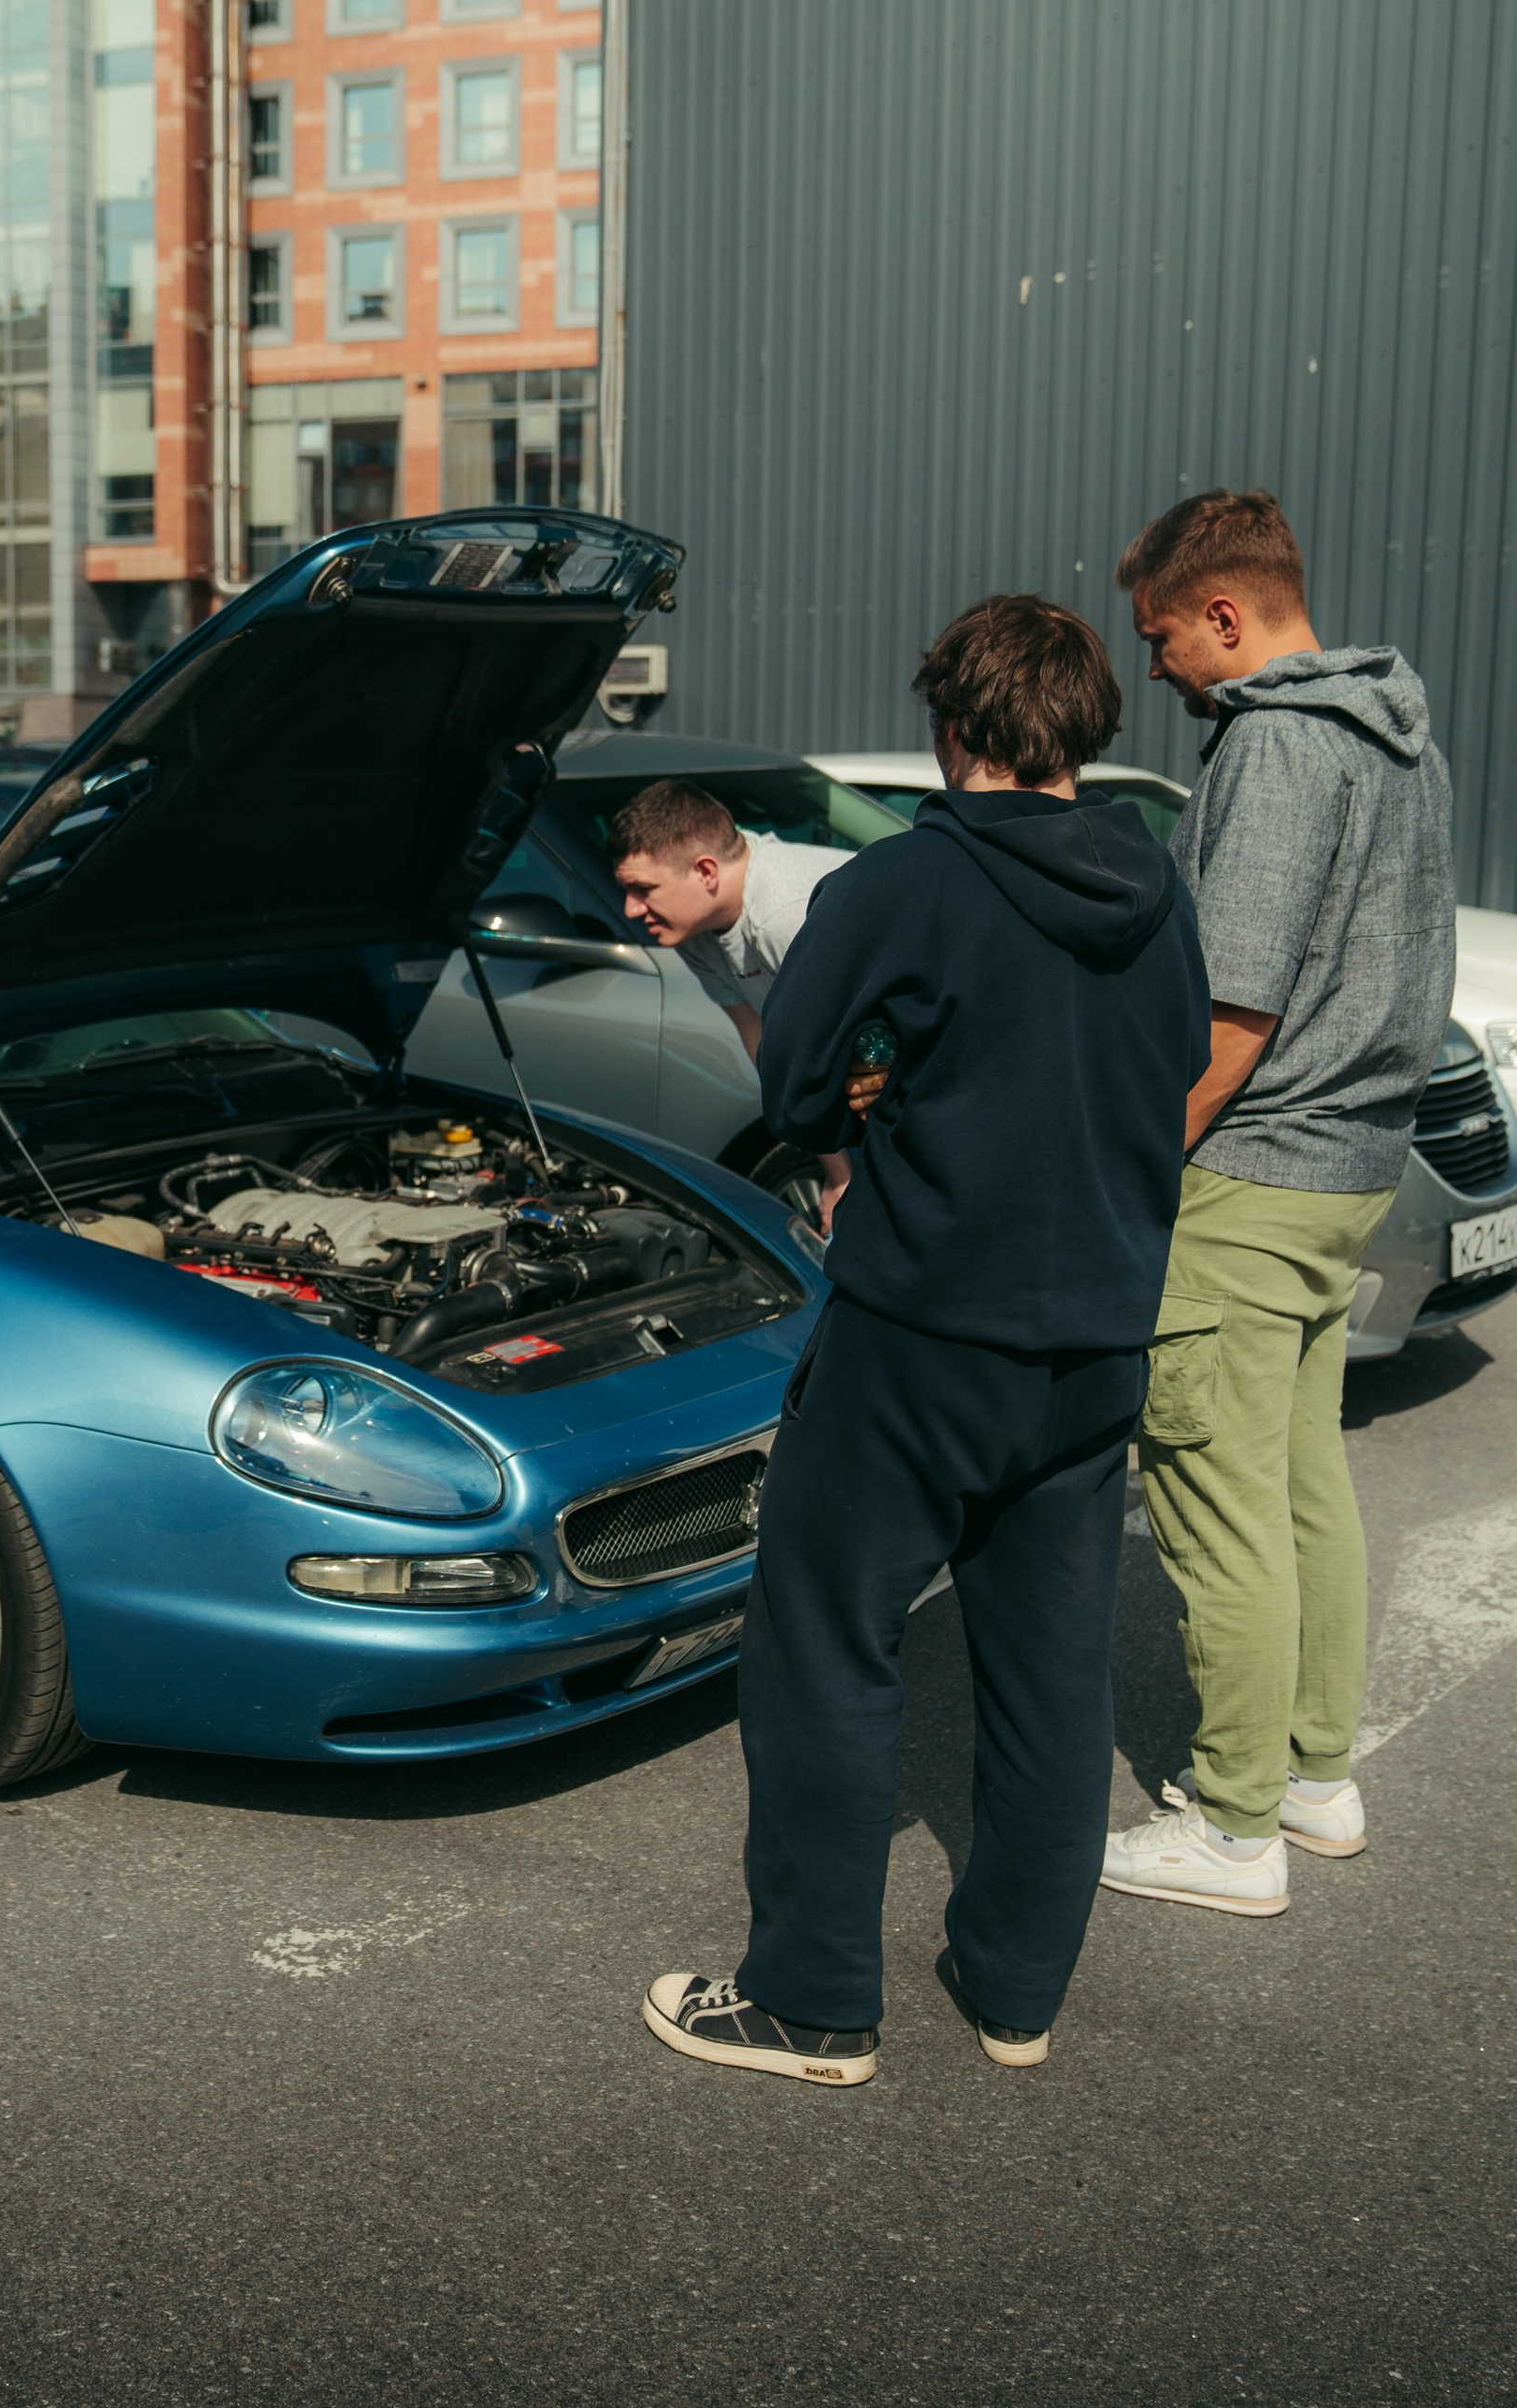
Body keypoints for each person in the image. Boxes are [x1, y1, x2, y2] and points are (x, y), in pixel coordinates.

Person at [640, 596, 1209, 2085]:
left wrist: (878, 1090)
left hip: (921, 1329)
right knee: (1049, 1666)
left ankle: (814, 1998)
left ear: (951, 727)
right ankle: (1017, 1988)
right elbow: (1168, 1075)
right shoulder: (1159, 880)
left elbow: (804, 1088)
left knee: (825, 1640)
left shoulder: (904, 883)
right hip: (1098, 1334)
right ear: (1084, 728)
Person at [1098, 491, 1457, 1914]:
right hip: (1352, 1170)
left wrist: (1134, 1162)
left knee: (1215, 1498)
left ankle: (1233, 1827)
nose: (1160, 668)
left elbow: (1229, 1013)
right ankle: (1314, 1780)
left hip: (1249, 1173)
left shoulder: (1277, 744)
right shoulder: (1394, 732)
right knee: (1307, 1485)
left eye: (1164, 636)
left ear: (1226, 617)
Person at [608, 782, 854, 1226]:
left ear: (705, 871)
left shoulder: (787, 917)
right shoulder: (694, 930)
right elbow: (772, 1051)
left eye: (643, 889)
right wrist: (839, 1175)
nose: (629, 910)